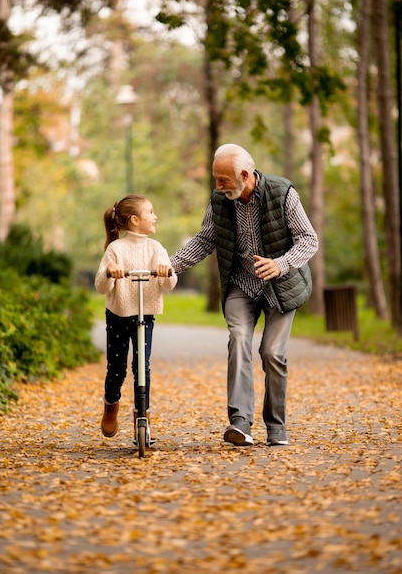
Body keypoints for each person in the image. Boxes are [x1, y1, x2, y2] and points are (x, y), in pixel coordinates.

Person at [170, 144, 318, 447]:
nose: (218, 186)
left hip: (282, 283)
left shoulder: (283, 193)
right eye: (215, 179)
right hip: (241, 283)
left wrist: (280, 264)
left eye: (223, 180)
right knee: (238, 339)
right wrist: (169, 265)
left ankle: (276, 427)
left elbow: (309, 240)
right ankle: (240, 422)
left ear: (245, 175)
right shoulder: (220, 201)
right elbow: (205, 240)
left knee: (272, 353)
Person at [95, 194, 177, 444]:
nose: (155, 216)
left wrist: (167, 270)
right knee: (117, 367)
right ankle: (111, 404)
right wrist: (110, 272)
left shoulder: (156, 248)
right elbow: (100, 286)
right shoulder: (116, 249)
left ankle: (143, 416)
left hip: (145, 316)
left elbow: (170, 283)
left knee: (142, 366)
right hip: (119, 315)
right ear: (134, 219)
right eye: (150, 212)